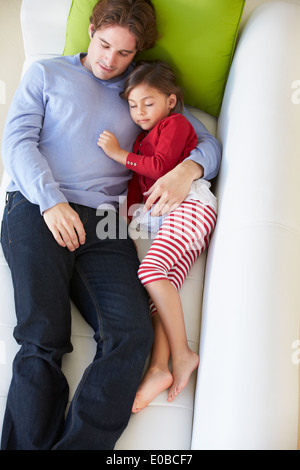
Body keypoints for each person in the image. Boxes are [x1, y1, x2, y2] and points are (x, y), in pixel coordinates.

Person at [0, 0, 221, 450]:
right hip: (38, 206)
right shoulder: (46, 74)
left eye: (124, 53)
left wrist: (188, 170)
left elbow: (207, 142)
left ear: (137, 54)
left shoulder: (141, 92)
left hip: (106, 223)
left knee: (132, 336)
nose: (109, 61)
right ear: (91, 29)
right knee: (43, 337)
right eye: (104, 45)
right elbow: (16, 141)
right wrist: (50, 201)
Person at [97, 60, 217, 413]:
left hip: (192, 206)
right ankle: (158, 368)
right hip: (168, 222)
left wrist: (120, 154)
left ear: (171, 100)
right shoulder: (141, 140)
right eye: (133, 105)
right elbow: (136, 189)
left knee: (150, 273)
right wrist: (126, 229)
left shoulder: (176, 124)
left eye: (148, 103)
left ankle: (182, 355)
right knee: (159, 291)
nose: (139, 112)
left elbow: (162, 167)